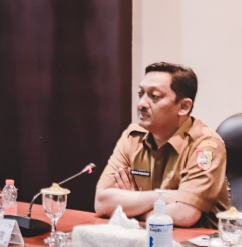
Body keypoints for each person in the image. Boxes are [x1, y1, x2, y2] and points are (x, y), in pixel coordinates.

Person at [94, 62, 229, 228]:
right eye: (140, 93)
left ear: (184, 106)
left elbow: (184, 214)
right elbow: (101, 202)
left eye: (154, 96)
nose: (141, 104)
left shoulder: (205, 145)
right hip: (144, 240)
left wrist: (132, 207)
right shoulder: (132, 137)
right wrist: (165, 197)